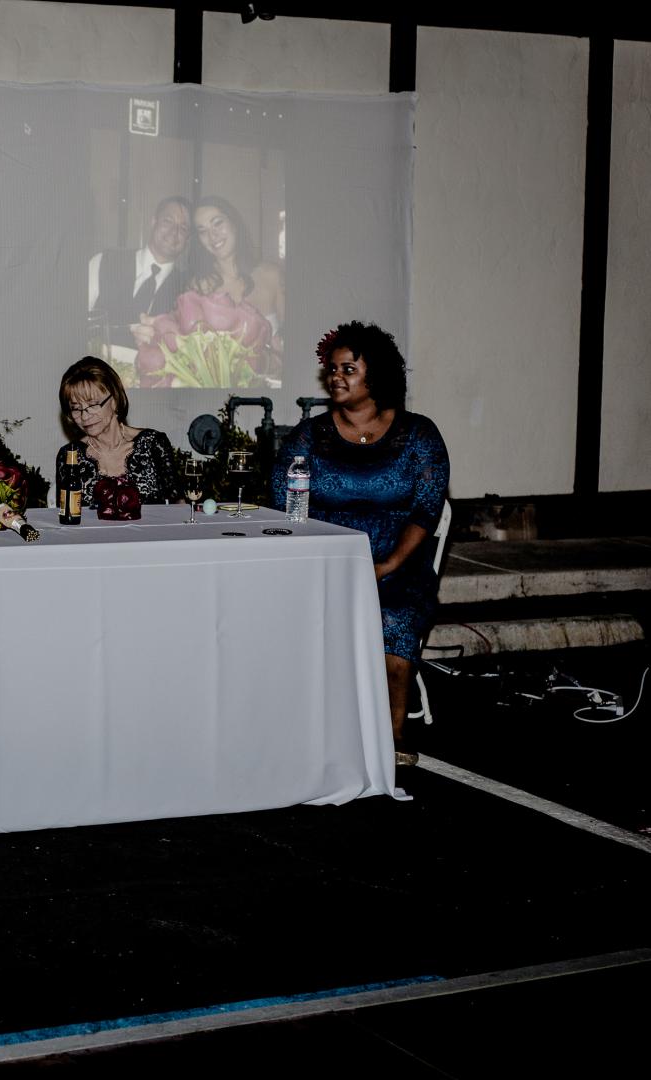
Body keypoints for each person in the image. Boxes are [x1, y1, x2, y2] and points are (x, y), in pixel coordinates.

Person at [270, 322, 450, 767]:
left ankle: (392, 733)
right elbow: (283, 504)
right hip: (324, 562)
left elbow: (426, 511)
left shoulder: (418, 435)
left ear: (377, 376)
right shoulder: (308, 437)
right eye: (332, 369)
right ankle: (301, 725)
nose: (336, 377)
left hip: (397, 565)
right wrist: (317, 560)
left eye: (348, 369)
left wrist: (386, 565)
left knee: (393, 617)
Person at [54, 357, 180, 507]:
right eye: (76, 408)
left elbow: (179, 506)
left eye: (93, 405)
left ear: (114, 400)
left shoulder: (153, 444)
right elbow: (66, 513)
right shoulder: (70, 456)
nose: (84, 416)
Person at [88, 196, 193, 350]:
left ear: (187, 239)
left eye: (183, 228)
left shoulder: (187, 291)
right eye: (168, 221)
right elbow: (72, 320)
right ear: (153, 222)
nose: (174, 232)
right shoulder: (105, 261)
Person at [188, 194, 285, 341]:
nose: (212, 235)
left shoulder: (272, 275)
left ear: (234, 223)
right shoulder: (197, 288)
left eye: (217, 223)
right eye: (203, 231)